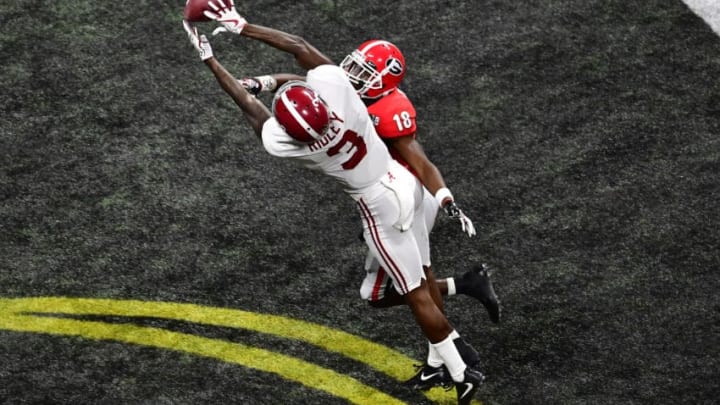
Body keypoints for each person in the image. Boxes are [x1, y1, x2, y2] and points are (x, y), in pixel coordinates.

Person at [199, 0, 501, 392]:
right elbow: (307, 63)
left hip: (389, 205)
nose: (351, 71)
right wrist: (256, 54)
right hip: (402, 186)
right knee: (406, 286)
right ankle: (451, 333)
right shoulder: (344, 99)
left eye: (363, 70)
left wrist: (216, 61)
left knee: (403, 292)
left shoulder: (315, 133)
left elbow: (260, 104)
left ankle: (460, 366)